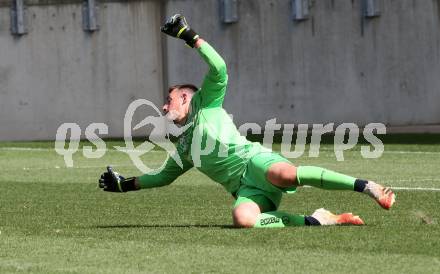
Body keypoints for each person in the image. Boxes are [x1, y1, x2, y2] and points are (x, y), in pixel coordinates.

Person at [99, 14, 395, 228]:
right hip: (247, 191)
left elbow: (219, 68)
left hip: (256, 163)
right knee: (243, 220)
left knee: (287, 175)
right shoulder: (186, 146)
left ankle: (367, 186)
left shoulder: (206, 102)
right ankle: (319, 219)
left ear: (187, 98)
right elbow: (161, 177)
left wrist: (189, 36)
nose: (164, 107)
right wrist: (123, 185)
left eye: (169, 99)